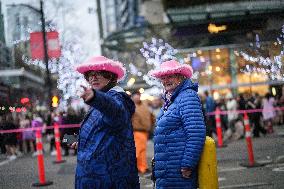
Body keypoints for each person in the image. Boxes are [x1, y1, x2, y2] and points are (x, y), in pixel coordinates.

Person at [73, 55, 139, 189]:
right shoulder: (100, 101)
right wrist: (80, 142)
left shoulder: (118, 98)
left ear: (111, 77)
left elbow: (114, 110)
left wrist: (96, 98)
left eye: (100, 73)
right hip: (95, 177)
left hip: (109, 179)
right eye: (90, 75)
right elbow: (102, 132)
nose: (93, 77)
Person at [149, 59, 206, 188]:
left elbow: (196, 133)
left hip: (179, 170)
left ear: (180, 76)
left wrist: (188, 164)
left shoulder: (187, 96)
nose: (165, 80)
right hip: (168, 169)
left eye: (170, 76)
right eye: (163, 77)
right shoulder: (172, 99)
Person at [131, 91, 155, 175]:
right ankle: (137, 168)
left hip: (145, 131)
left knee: (142, 150)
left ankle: (142, 167)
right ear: (132, 97)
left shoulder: (144, 105)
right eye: (135, 96)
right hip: (136, 131)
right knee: (138, 151)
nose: (137, 97)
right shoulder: (131, 106)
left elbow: (150, 115)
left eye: (138, 95)